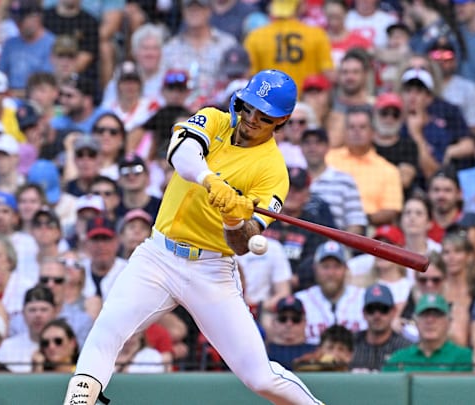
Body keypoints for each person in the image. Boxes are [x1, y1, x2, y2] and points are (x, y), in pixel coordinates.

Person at [63, 70, 323, 405]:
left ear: (282, 120)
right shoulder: (215, 119)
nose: (251, 119)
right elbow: (181, 154)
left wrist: (233, 219)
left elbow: (246, 243)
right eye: (249, 107)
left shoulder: (273, 172)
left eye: (264, 116)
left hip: (211, 271)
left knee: (260, 377)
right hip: (157, 255)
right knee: (106, 331)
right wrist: (210, 180)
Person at [383, 293, 473, 372]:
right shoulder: (398, 359)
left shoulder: (465, 357)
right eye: (424, 315)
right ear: (416, 321)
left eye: (437, 315)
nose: (430, 320)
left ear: (449, 322)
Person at [350, 284, 411, 372]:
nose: (377, 315)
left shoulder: (405, 347)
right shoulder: (351, 343)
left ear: (393, 312)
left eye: (383, 309)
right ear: (364, 313)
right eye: (371, 309)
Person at [266, 296, 318, 370]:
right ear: (273, 322)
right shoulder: (262, 352)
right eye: (283, 318)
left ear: (305, 322)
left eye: (296, 319)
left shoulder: (316, 352)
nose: (289, 324)